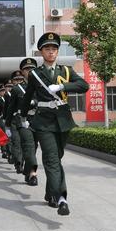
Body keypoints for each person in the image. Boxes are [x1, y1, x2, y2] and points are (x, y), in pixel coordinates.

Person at [21, 33, 89, 216]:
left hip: (64, 121)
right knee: (51, 159)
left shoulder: (65, 71)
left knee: (56, 159)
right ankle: (61, 198)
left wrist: (62, 87)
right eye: (47, 49)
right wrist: (24, 117)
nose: (51, 52)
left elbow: (84, 86)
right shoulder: (35, 73)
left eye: (54, 49)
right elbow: (27, 97)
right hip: (43, 122)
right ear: (41, 52)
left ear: (57, 51)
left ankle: (51, 193)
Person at [5, 58, 39, 186]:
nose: (29, 71)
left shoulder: (41, 84)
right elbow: (11, 108)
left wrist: (34, 102)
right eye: (26, 69)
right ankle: (33, 174)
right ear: (22, 71)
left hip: (38, 120)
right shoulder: (17, 89)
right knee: (29, 147)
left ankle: (27, 169)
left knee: (33, 148)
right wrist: (8, 125)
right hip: (22, 121)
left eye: (32, 68)